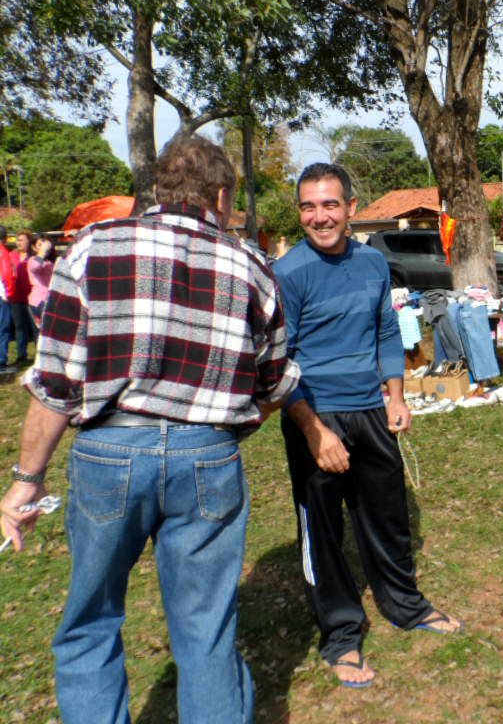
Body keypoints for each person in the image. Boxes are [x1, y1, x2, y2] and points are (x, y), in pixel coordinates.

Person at [0, 135, 300, 723]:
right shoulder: (252, 266)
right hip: (208, 455)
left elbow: (55, 383)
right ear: (220, 194)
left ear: (158, 189)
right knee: (206, 631)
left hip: (110, 449)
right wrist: (219, 437)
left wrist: (25, 480)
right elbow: (275, 383)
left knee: (91, 620)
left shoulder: (91, 247)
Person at [273, 163, 463, 690]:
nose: (320, 216)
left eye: (330, 204)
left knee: (388, 515)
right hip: (315, 414)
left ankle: (404, 604)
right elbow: (278, 364)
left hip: (371, 410)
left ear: (352, 208)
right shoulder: (288, 273)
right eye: (309, 206)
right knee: (324, 531)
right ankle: (340, 634)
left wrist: (396, 395)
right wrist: (316, 432)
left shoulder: (374, 264)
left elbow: (386, 329)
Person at [9, 229, 37, 364]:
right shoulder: (11, 256)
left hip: (32, 297)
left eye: (21, 240)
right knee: (20, 328)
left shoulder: (34, 257)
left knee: (35, 327)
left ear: (28, 241)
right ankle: (21, 356)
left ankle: (39, 356)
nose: (18, 242)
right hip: (16, 297)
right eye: (17, 240)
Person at [27, 236, 56, 328]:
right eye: (40, 245)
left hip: (49, 300)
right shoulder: (33, 260)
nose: (44, 247)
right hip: (39, 301)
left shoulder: (50, 263)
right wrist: (42, 251)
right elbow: (35, 267)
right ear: (34, 247)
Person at [0, 224, 13, 370]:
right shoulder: (3, 252)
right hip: (1, 295)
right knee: (2, 329)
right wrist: (8, 295)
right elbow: (7, 276)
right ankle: (1, 358)